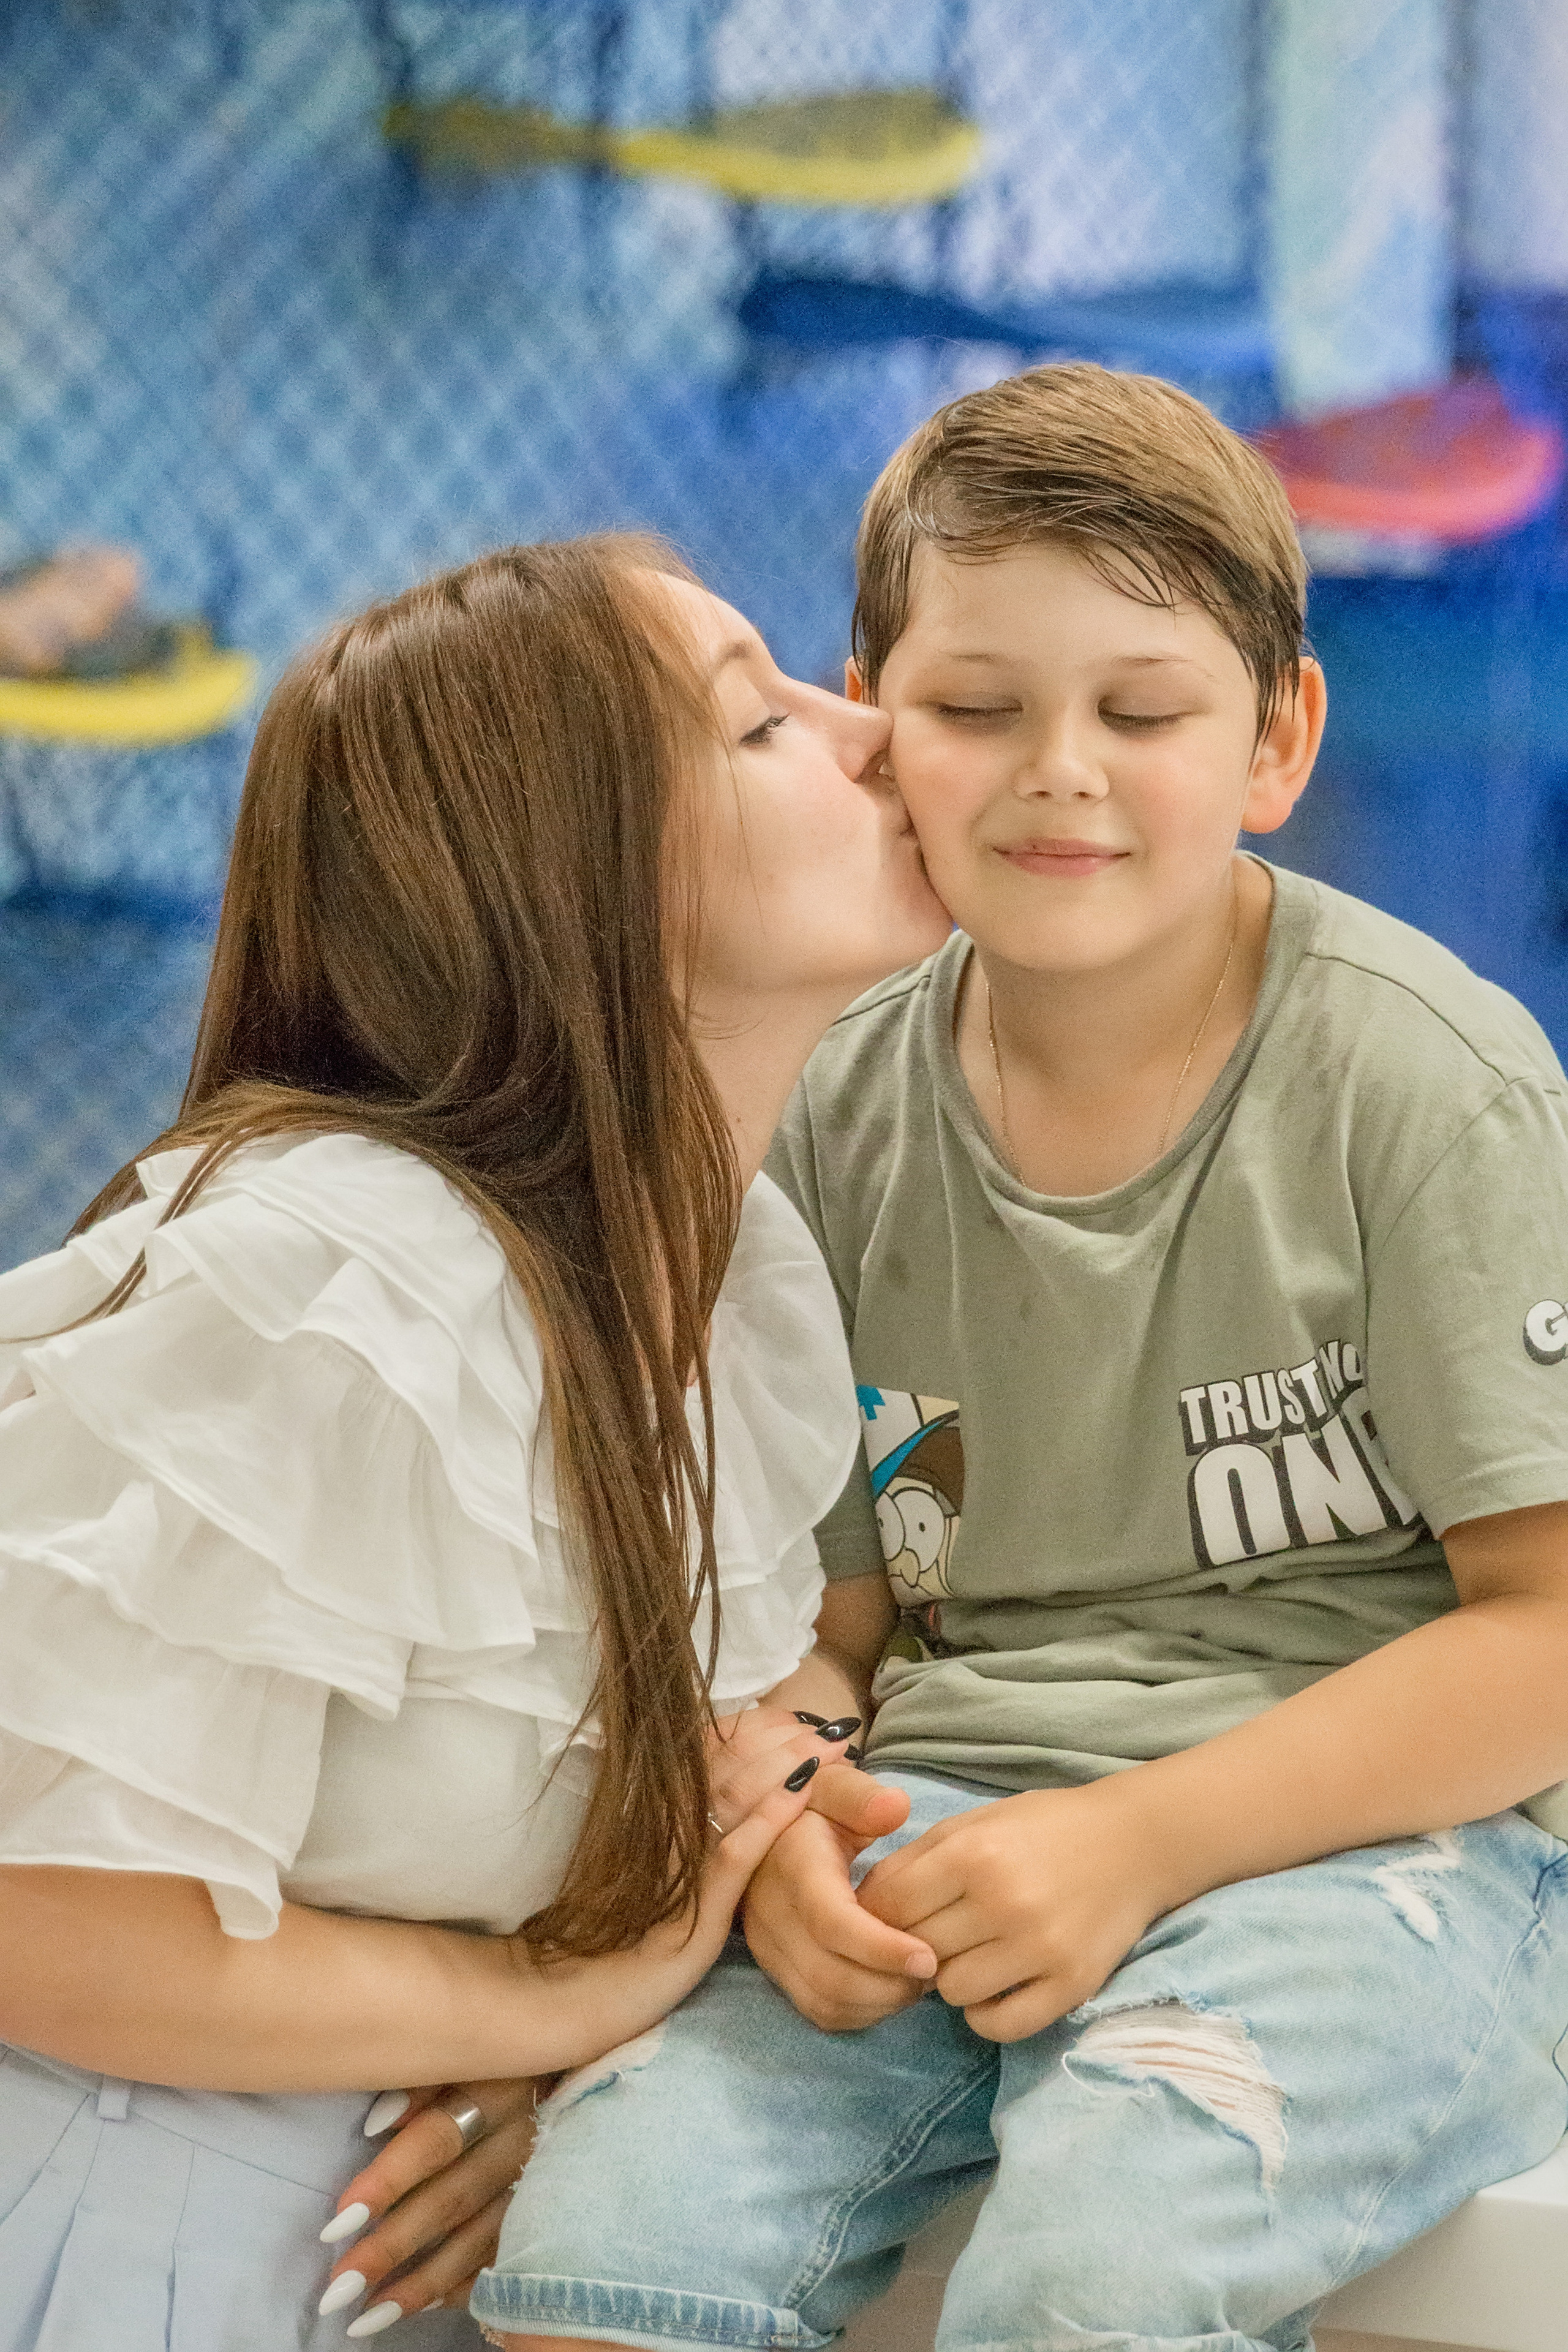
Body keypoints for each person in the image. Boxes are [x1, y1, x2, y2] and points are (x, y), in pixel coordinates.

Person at [472, 367, 1568, 2352]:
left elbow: (1550, 1634)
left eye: (1142, 713)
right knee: (596, 2262)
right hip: (939, 1826)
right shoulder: (832, 1105)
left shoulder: (1426, 1084)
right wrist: (782, 1820)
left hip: (1371, 1846)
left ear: (1278, 737)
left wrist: (1138, 1840)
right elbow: (832, 1622)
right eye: (977, 711)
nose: (1058, 769)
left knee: (1095, 2278)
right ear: (875, 726)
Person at [0, 532, 951, 2348]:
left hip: (381, 2254)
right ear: (571, 877)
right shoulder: (343, 1271)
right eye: (763, 721)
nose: (876, 731)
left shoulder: (734, 1282)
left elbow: (704, 1740)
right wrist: (552, 2005)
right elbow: (40, 1917)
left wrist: (589, 2018)